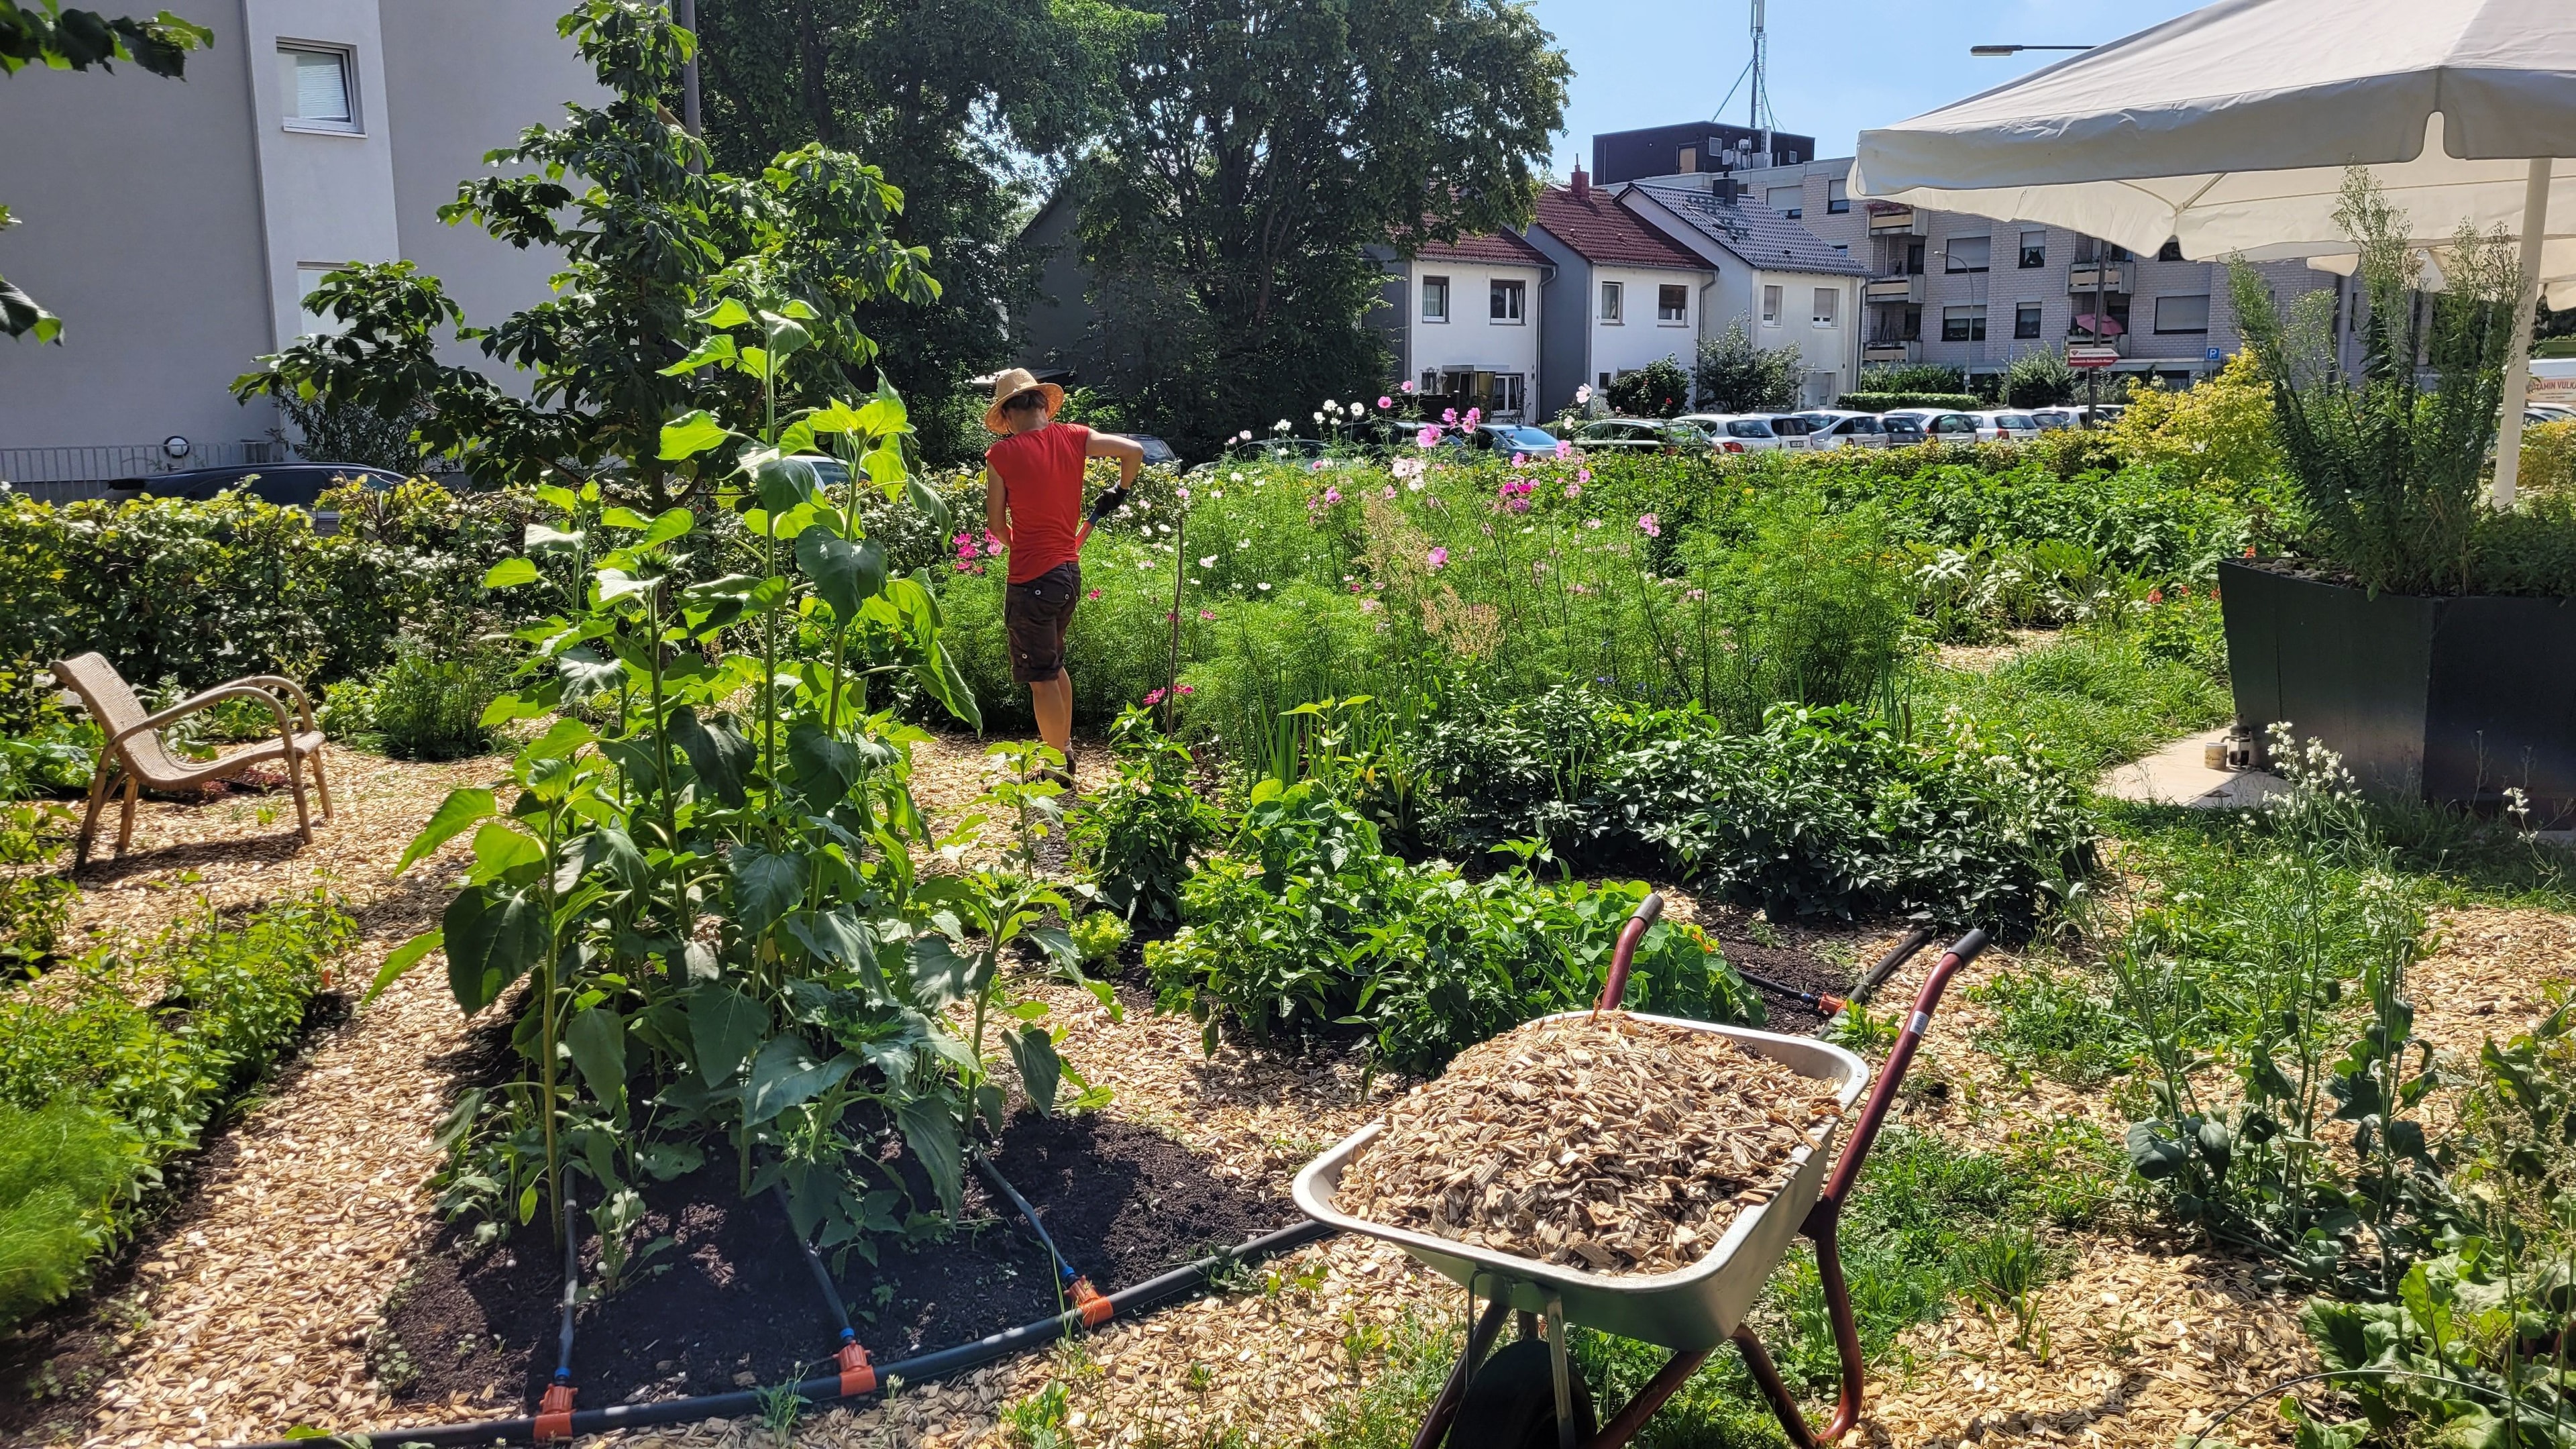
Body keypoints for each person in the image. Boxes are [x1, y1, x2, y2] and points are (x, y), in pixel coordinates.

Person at [981, 368, 1142, 786]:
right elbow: (1132, 450)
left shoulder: (1001, 457)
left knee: (1040, 676)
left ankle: (1055, 767)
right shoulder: (1074, 436)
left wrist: (1025, 545)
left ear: (1009, 414)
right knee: (1053, 664)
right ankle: (1065, 749)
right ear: (1040, 405)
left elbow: (997, 527)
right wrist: (1119, 492)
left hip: (1031, 578)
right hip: (1067, 572)